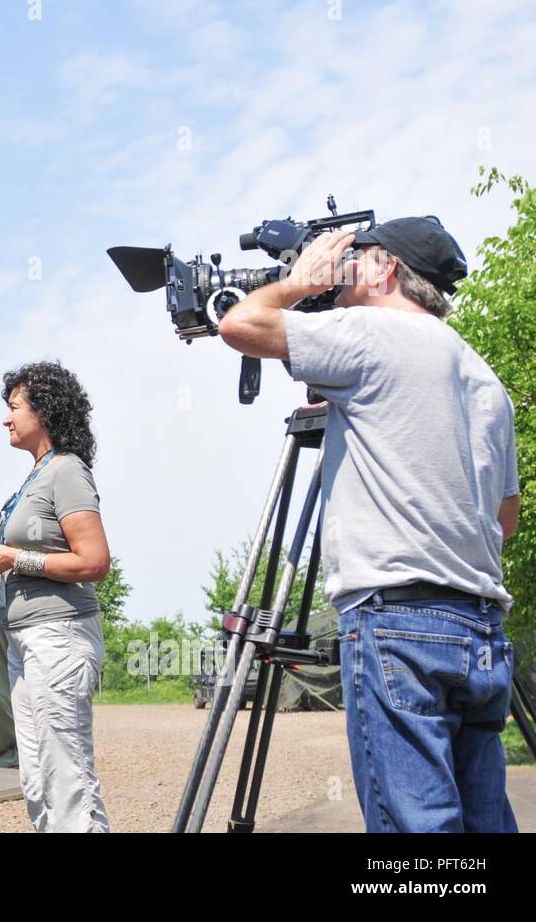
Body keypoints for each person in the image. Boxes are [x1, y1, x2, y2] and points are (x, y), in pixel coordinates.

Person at [218, 217, 521, 832]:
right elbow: (504, 521)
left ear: (386, 269)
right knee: (483, 824)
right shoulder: (484, 378)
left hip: (397, 624)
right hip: (480, 628)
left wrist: (299, 284)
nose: (342, 266)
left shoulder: (370, 332)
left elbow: (239, 325)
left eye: (354, 257)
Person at [0, 362, 112, 833]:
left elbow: (95, 563)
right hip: (24, 641)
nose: (6, 419)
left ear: (43, 411)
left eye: (14, 408)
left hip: (59, 636)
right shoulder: (35, 476)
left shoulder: (66, 471)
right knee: (36, 777)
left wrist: (14, 560)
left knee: (66, 772)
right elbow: (24, 552)